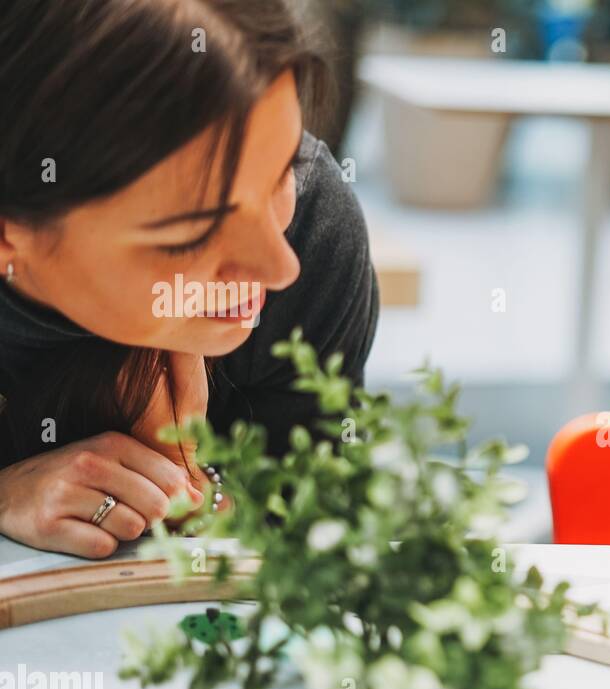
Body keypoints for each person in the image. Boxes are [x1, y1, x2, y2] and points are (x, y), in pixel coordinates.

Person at [0, 0, 379, 559]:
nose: (279, 268)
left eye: (278, 176)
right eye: (194, 232)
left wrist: (207, 500)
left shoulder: (313, 232)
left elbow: (322, 536)